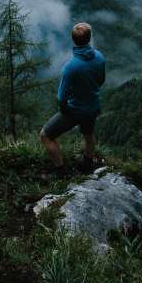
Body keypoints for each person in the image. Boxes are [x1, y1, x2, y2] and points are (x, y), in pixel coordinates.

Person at [40, 22, 106, 173]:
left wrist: (65, 110)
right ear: (89, 39)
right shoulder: (99, 57)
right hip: (93, 106)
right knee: (89, 134)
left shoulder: (71, 67)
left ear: (73, 40)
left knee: (45, 135)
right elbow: (101, 81)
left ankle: (61, 170)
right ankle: (87, 164)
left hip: (75, 109)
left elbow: (61, 97)